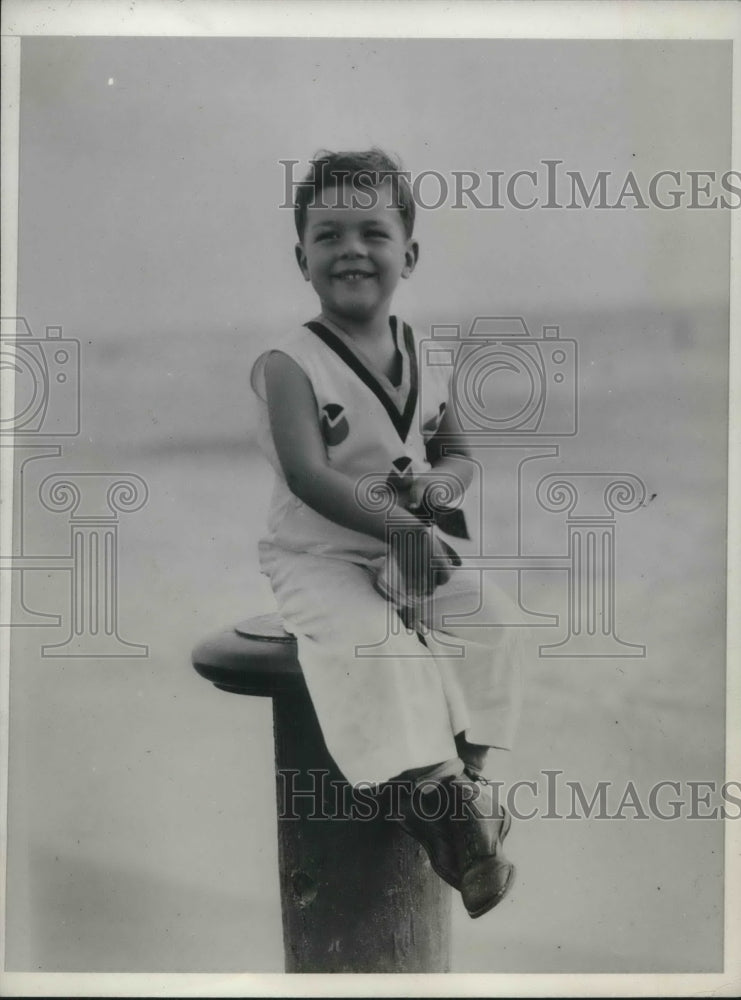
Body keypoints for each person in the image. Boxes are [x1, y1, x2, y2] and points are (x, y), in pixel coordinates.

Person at [250, 148, 526, 918]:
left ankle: (466, 781)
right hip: (318, 553)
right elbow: (309, 475)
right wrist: (403, 527)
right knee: (368, 642)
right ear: (299, 255)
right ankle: (446, 813)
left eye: (372, 232)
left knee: (490, 619)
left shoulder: (423, 354)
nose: (350, 250)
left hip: (404, 546)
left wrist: (438, 489)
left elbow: (458, 452)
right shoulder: (289, 364)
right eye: (327, 233)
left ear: (408, 252)